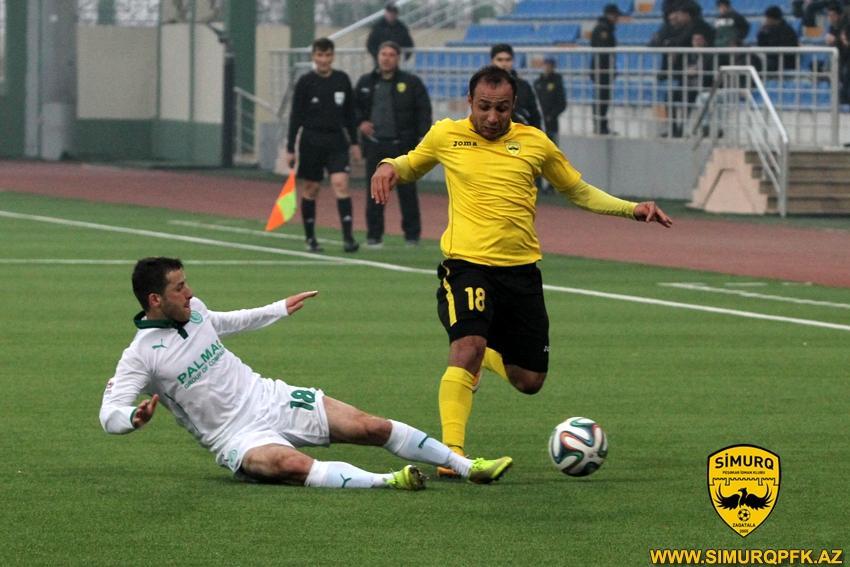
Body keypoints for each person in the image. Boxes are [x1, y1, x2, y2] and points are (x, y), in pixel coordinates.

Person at [370, 66, 672, 477]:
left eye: (502, 108)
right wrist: (387, 165)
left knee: (530, 380)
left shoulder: (535, 143)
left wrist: (631, 209)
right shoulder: (446, 135)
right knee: (466, 345)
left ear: (514, 105)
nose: (492, 117)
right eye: (484, 107)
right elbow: (410, 164)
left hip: (521, 273)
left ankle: (486, 359)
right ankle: (452, 455)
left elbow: (577, 190)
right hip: (467, 265)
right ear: (469, 102)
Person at [100, 257, 513, 489]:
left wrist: (278, 308)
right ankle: (390, 481)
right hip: (234, 438)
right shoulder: (140, 356)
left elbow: (226, 321)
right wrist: (132, 418)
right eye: (179, 288)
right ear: (155, 299)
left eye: (187, 284)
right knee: (292, 465)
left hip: (270, 398)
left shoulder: (195, 311)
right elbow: (109, 412)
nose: (189, 293)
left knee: (370, 426)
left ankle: (465, 466)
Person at [354, 41, 432, 248]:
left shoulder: (411, 82)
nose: (386, 58)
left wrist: (423, 136)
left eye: (391, 55)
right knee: (375, 191)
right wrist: (360, 123)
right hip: (375, 145)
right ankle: (374, 236)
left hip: (402, 146)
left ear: (398, 58)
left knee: (407, 192)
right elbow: (354, 108)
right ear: (377, 56)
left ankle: (412, 236)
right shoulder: (365, 82)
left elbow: (423, 110)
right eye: (383, 54)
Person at [286, 38, 360, 254]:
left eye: (327, 55)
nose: (324, 60)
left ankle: (348, 238)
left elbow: (350, 115)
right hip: (311, 140)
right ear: (314, 57)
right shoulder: (305, 82)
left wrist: (355, 143)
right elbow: (295, 116)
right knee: (312, 188)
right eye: (320, 55)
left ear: (333, 56)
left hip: (336, 140)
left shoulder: (342, 80)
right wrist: (290, 147)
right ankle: (310, 239)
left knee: (341, 184)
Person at [490, 44, 542, 128]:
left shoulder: (524, 86)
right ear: (492, 61)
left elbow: (536, 115)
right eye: (499, 60)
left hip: (521, 133)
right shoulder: (482, 86)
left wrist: (538, 134)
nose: (504, 64)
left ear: (513, 61)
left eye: (508, 60)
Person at [590, 3, 621, 135]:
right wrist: (608, 68)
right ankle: (600, 126)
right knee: (602, 98)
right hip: (602, 69)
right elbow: (603, 52)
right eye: (616, 15)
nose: (617, 19)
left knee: (603, 97)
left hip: (603, 69)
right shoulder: (603, 29)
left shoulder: (605, 28)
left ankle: (601, 125)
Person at [534, 57, 567, 145]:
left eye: (550, 66)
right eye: (546, 65)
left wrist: (551, 116)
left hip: (551, 123)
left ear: (553, 67)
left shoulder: (557, 82)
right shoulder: (537, 82)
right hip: (538, 121)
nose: (547, 68)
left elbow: (562, 103)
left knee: (552, 145)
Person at [757, 6, 800, 74]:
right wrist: (762, 32)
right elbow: (761, 45)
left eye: (767, 18)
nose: (766, 20)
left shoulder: (787, 31)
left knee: (758, 64)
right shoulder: (767, 30)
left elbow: (784, 50)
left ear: (773, 19)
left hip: (784, 62)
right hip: (772, 59)